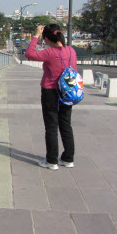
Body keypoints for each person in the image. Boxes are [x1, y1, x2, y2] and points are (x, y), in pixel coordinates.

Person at [25, 24, 77, 170]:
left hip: (50, 92)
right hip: (67, 92)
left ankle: (51, 161)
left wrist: (35, 35)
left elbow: (29, 54)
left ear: (47, 38)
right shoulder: (71, 51)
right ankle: (68, 158)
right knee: (66, 124)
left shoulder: (49, 53)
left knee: (51, 126)